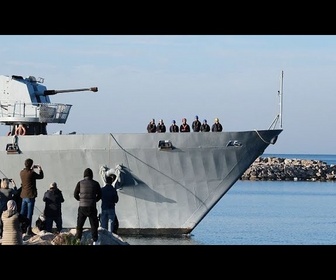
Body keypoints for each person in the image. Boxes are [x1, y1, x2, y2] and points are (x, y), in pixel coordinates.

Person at [74, 167, 102, 245]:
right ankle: (95, 241)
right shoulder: (96, 183)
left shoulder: (80, 183)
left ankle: (78, 240)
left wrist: (80, 200)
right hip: (92, 206)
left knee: (80, 224)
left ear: (84, 175)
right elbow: (100, 195)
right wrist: (95, 200)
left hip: (82, 207)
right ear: (92, 175)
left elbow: (75, 194)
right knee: (93, 224)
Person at [19, 158, 44, 236]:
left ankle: (20, 228)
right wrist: (40, 169)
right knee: (29, 214)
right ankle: (28, 230)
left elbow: (27, 173)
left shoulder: (21, 172)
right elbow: (40, 176)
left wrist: (31, 169)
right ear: (31, 165)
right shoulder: (32, 173)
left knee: (22, 214)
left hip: (23, 196)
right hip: (30, 196)